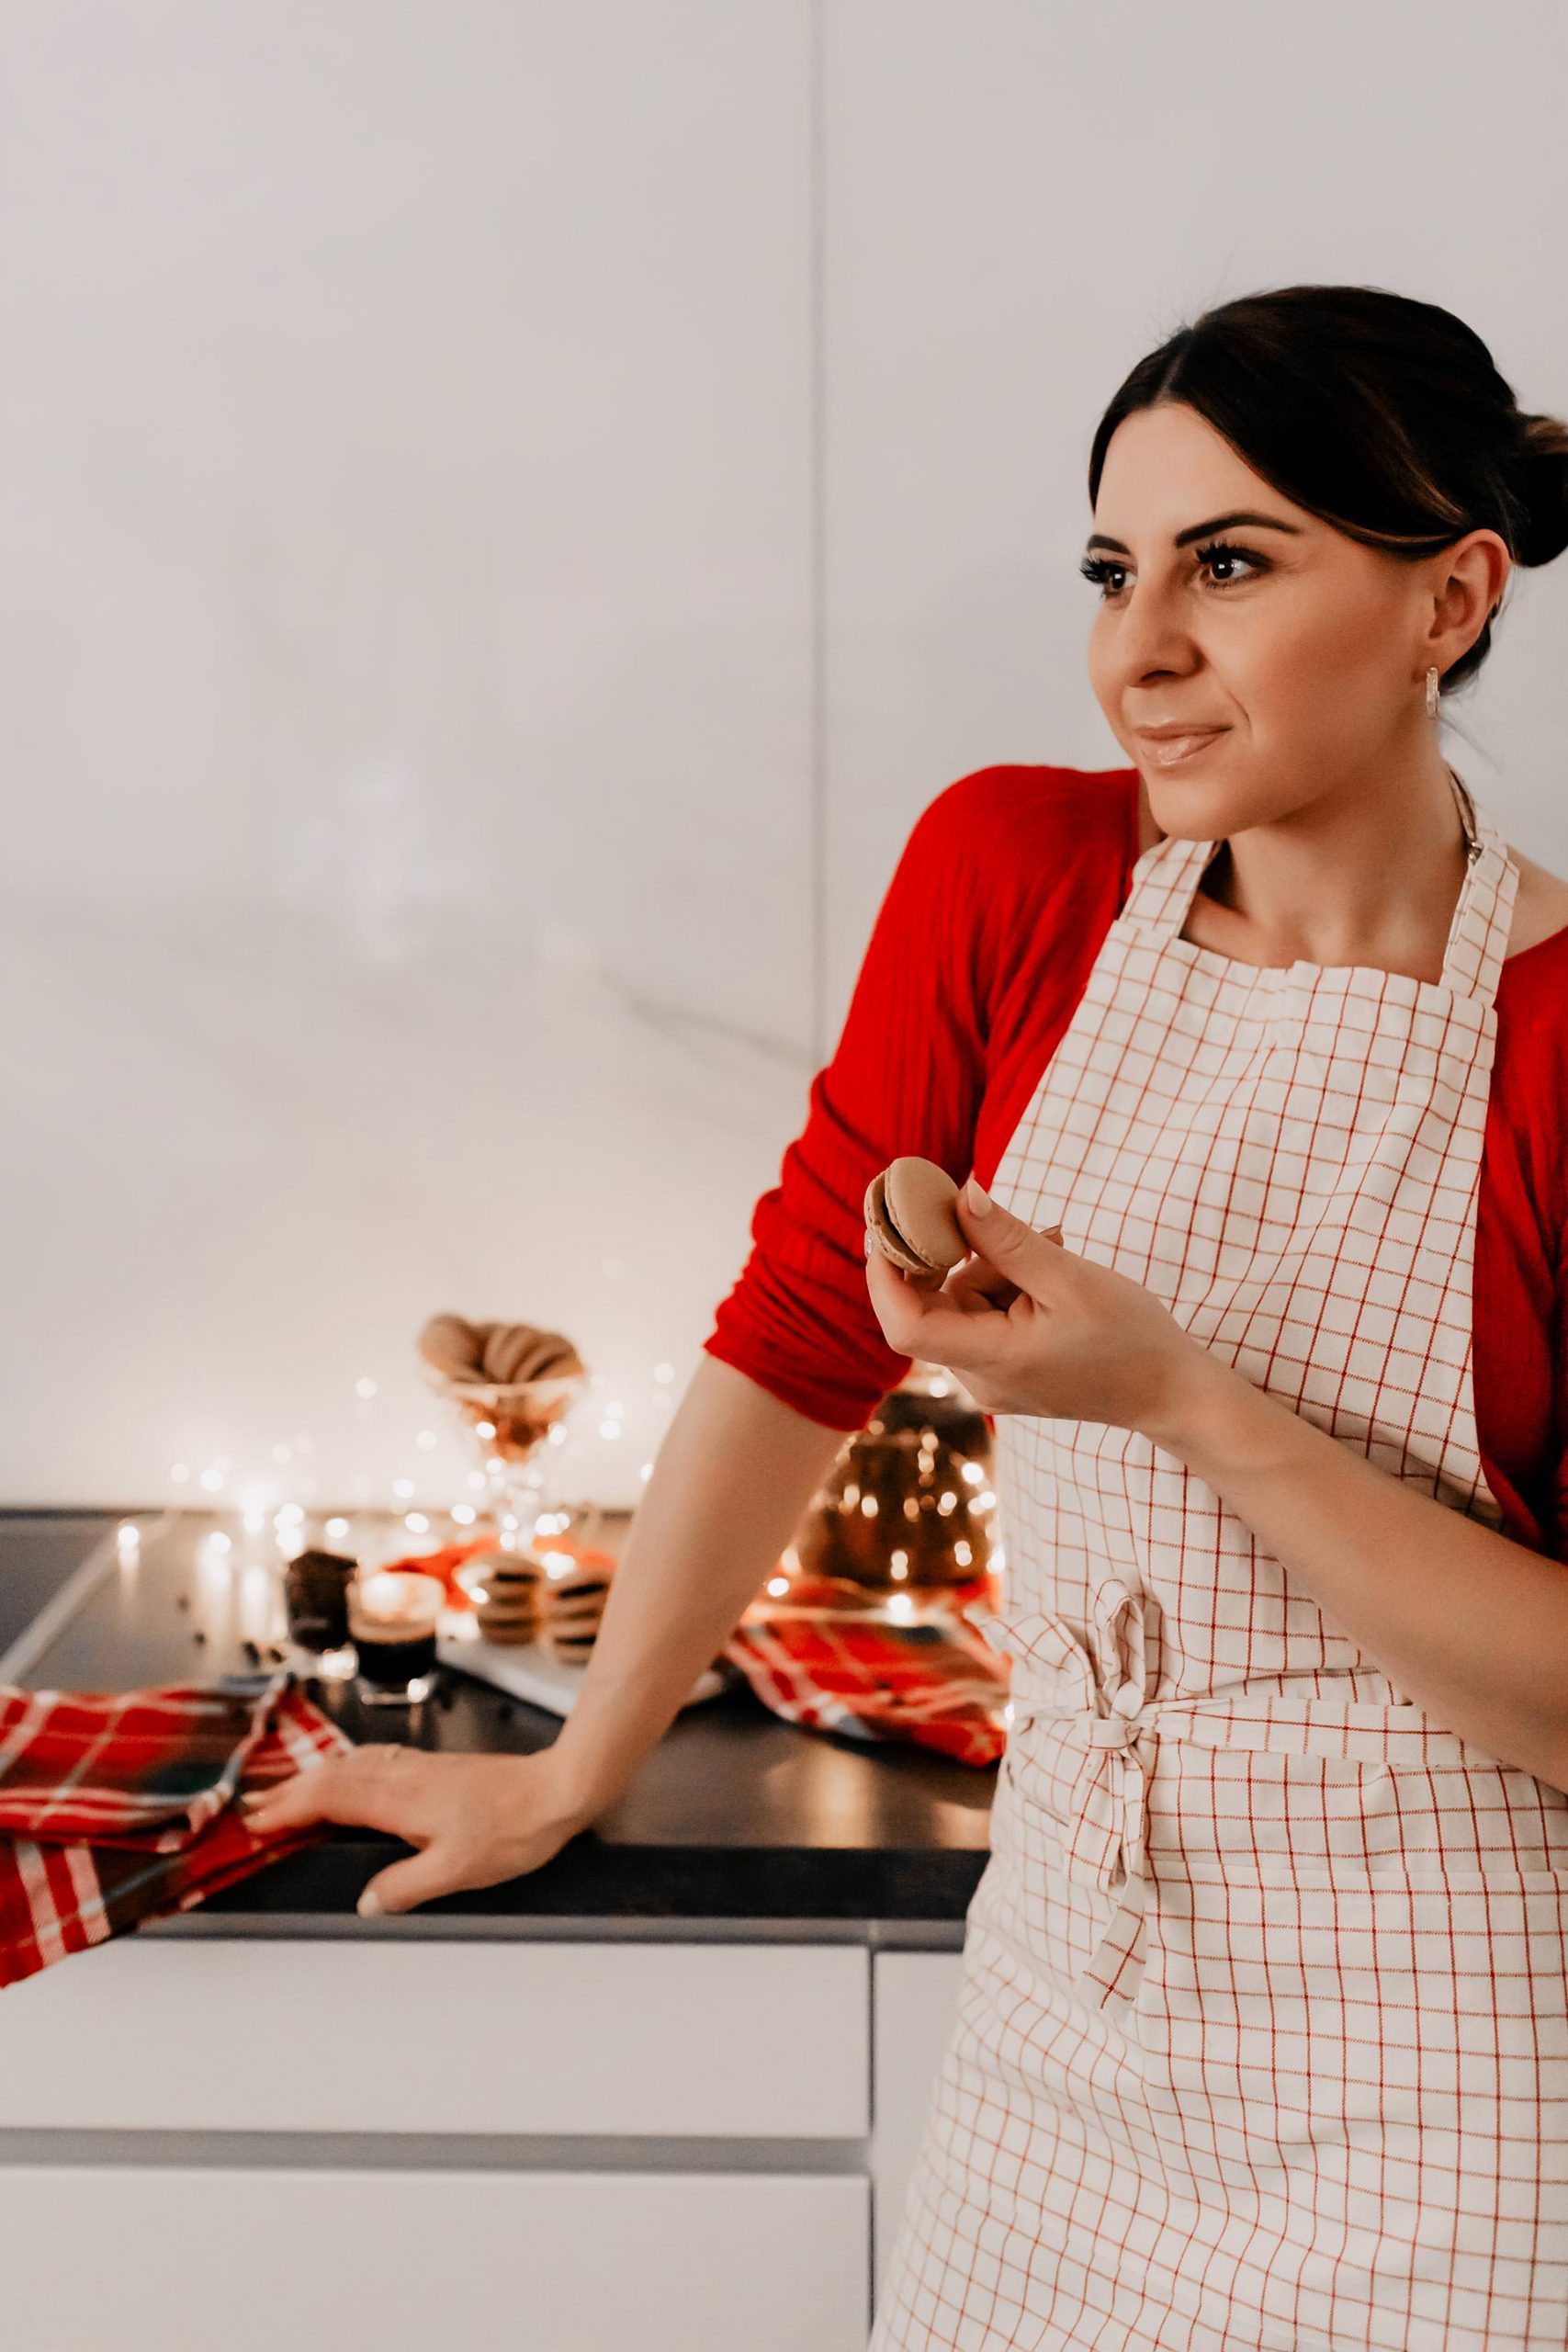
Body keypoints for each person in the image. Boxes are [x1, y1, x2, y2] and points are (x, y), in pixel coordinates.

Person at [245, 283, 1568, 2347]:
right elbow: (798, 1329)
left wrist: (1179, 1400)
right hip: (1067, 2019)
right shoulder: (1012, 880)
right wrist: (578, 1761)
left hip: (1468, 2097)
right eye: (1112, 568)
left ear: (1446, 599)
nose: (1136, 649)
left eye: (1230, 565)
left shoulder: (1559, 1038)